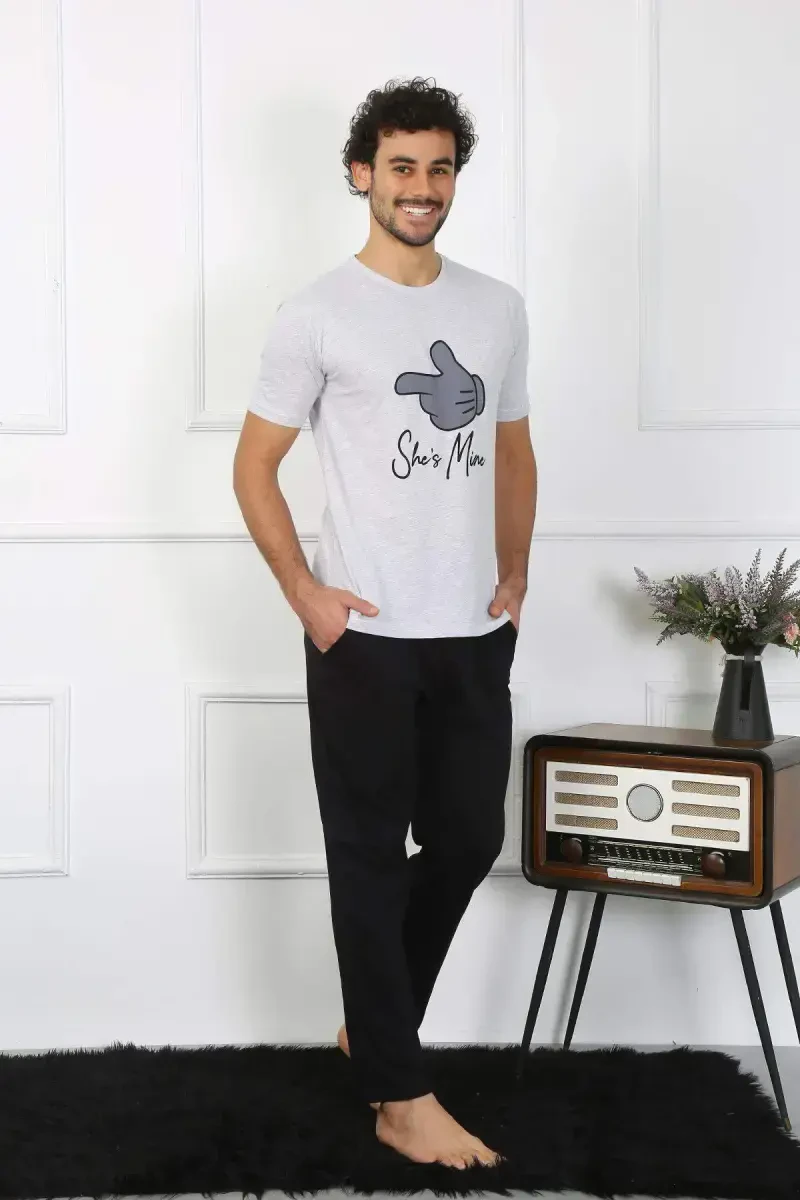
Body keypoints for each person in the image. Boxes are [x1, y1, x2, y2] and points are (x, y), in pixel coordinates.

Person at [233, 76, 537, 1170]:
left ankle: (375, 1027)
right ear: (362, 173)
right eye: (401, 166)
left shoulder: (496, 308)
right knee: (365, 855)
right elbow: (254, 466)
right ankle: (400, 1095)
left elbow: (512, 447)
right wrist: (304, 594)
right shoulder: (316, 312)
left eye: (439, 168)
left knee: (467, 840)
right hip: (361, 632)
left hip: (472, 629)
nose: (422, 187)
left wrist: (514, 569)